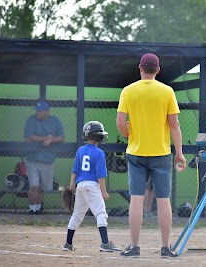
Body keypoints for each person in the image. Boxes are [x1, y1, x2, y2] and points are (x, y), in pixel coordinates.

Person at [116, 53, 186, 257]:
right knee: (163, 200)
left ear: (140, 68)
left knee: (136, 200)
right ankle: (166, 247)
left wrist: (130, 135)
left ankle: (134, 247)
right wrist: (179, 153)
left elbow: (120, 122)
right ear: (158, 70)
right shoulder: (167, 91)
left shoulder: (128, 91)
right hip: (161, 154)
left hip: (136, 153)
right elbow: (174, 125)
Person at [62, 121, 121, 252]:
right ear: (98, 136)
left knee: (77, 215)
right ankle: (105, 243)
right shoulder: (99, 153)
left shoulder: (80, 150)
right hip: (92, 186)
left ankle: (68, 243)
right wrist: (104, 192)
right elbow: (100, 175)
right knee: (101, 213)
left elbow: (75, 171)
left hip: (80, 186)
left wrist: (72, 187)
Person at [24, 101, 64, 215]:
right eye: (37, 111)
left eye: (39, 111)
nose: (37, 113)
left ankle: (38, 208)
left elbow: (61, 138)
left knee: (43, 188)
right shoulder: (31, 120)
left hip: (48, 159)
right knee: (34, 186)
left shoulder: (55, 121)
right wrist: (45, 138)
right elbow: (30, 137)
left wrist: (51, 140)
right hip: (33, 158)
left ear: (46, 112)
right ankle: (32, 209)